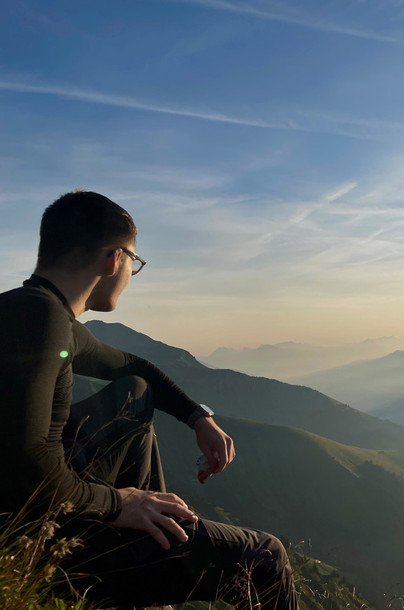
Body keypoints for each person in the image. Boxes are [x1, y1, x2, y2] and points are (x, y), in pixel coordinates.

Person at [0, 190, 298, 609]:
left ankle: (156, 544)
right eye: (134, 263)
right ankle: (151, 548)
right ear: (113, 259)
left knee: (135, 394)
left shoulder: (32, 310)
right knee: (267, 557)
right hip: (39, 531)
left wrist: (198, 418)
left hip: (33, 504)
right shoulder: (42, 320)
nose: (130, 273)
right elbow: (27, 460)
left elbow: (134, 369)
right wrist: (120, 502)